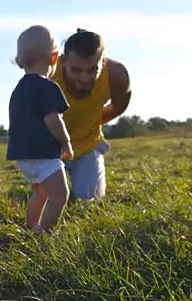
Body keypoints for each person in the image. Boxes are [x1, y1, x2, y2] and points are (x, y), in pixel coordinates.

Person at [50, 28, 132, 200]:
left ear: (103, 62)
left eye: (92, 70)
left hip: (87, 145)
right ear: (62, 61)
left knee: (89, 198)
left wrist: (93, 123)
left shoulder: (117, 76)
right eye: (76, 70)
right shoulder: (47, 75)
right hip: (49, 149)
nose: (84, 78)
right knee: (50, 198)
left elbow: (118, 106)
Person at [6, 25, 74, 234]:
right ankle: (41, 232)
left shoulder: (18, 89)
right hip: (43, 156)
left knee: (42, 193)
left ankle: (31, 226)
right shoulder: (48, 87)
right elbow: (53, 120)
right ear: (54, 58)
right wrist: (66, 143)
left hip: (23, 157)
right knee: (60, 196)